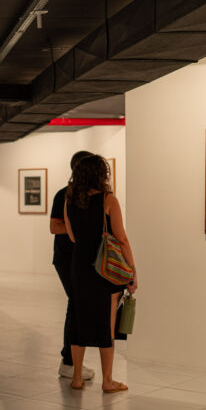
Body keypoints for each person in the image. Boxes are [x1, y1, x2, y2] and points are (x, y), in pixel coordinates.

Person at [64, 155, 137, 393]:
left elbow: (72, 236)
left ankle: (77, 377)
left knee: (78, 321)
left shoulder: (69, 200)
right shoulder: (108, 200)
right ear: (101, 174)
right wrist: (132, 271)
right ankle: (107, 380)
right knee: (106, 324)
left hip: (78, 266)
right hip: (103, 269)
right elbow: (121, 238)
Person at [50, 151, 95, 381]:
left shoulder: (92, 196)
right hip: (66, 258)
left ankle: (71, 361)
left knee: (78, 305)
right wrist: (79, 230)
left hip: (84, 259)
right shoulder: (63, 195)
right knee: (76, 305)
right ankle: (68, 361)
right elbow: (54, 227)